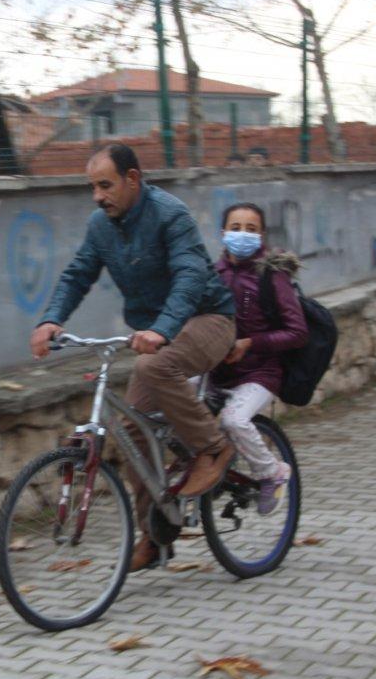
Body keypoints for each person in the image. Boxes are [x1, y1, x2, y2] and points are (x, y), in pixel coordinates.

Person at [29, 143, 237, 571]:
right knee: (132, 430)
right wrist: (51, 320)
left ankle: (213, 449)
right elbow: (78, 273)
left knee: (154, 365)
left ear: (132, 179)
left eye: (105, 185)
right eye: (92, 187)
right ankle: (156, 535)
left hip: (207, 318)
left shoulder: (169, 214)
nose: (97, 196)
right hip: (153, 332)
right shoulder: (100, 226)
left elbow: (189, 276)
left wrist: (162, 328)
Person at [211, 202, 308, 515]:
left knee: (233, 419)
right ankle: (208, 467)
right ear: (222, 232)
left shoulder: (271, 275)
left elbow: (297, 332)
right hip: (215, 370)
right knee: (171, 396)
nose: (242, 235)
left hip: (259, 373)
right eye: (235, 228)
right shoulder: (214, 273)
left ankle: (273, 472)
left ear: (262, 236)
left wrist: (251, 343)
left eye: (251, 229)